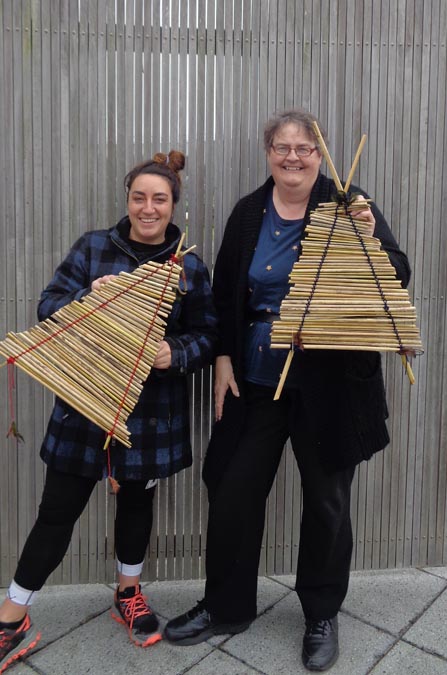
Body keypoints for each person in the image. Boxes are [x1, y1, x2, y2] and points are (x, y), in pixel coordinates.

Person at [163, 111, 411, 672]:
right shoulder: (249, 211)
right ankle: (227, 605)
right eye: (282, 147)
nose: (292, 156)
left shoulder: (349, 205)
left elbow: (398, 272)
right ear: (268, 152)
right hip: (254, 377)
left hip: (331, 383)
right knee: (231, 487)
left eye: (303, 147)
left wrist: (369, 239)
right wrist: (223, 357)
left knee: (327, 502)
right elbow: (225, 292)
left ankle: (321, 612)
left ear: (319, 154)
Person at [0, 151, 218, 672]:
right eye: (139, 197)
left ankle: (128, 592)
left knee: (136, 507)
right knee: (57, 511)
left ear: (174, 206)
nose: (148, 208)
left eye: (159, 199)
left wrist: (176, 354)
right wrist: (86, 299)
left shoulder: (188, 265)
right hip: (84, 407)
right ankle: (13, 616)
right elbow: (47, 304)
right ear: (127, 200)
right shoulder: (95, 247)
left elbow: (209, 335)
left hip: (150, 414)